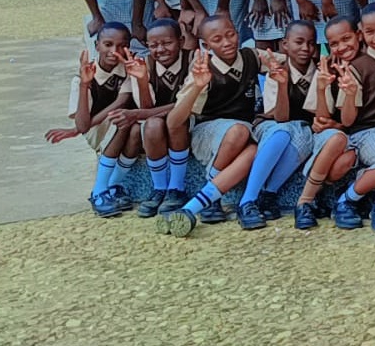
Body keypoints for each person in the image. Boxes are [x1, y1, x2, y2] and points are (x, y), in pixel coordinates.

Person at [297, 10, 375, 230]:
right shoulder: (332, 68)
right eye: (334, 43)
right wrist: (324, 88)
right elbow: (323, 119)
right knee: (343, 153)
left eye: (347, 39)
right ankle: (310, 201)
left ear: (358, 35)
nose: (342, 47)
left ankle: (373, 197)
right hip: (352, 134)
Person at [155, 14, 266, 237]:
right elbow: (174, 122)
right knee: (239, 131)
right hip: (209, 132)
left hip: (243, 133)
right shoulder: (203, 69)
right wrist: (197, 86)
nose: (227, 42)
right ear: (206, 45)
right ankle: (209, 193)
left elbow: (286, 60)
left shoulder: (252, 56)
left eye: (231, 34)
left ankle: (192, 208)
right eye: (217, 39)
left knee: (254, 152)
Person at [43, 25, 140, 217]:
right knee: (122, 119)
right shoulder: (83, 76)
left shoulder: (129, 69)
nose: (115, 51)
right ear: (97, 46)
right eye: (108, 44)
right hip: (97, 130)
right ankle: (99, 192)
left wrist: (76, 130)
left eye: (122, 45)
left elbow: (121, 101)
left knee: (135, 128)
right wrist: (84, 85)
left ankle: (113, 185)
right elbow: (83, 124)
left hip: (123, 122)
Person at [238, 21, 321, 229]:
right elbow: (281, 117)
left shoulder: (321, 72)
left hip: (303, 128)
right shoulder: (277, 71)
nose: (305, 48)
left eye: (311, 43)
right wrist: (283, 84)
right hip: (271, 124)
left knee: (303, 135)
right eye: (299, 42)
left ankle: (269, 194)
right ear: (285, 44)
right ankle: (247, 201)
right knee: (284, 132)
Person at [131, 19, 187, 217]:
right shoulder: (143, 65)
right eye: (153, 45)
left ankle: (177, 188)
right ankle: (160, 188)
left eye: (167, 43)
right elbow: (147, 109)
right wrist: (142, 80)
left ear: (181, 41)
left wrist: (141, 114)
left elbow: (187, 104)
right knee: (152, 125)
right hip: (159, 123)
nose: (160, 49)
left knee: (176, 118)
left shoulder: (194, 61)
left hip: (191, 122)